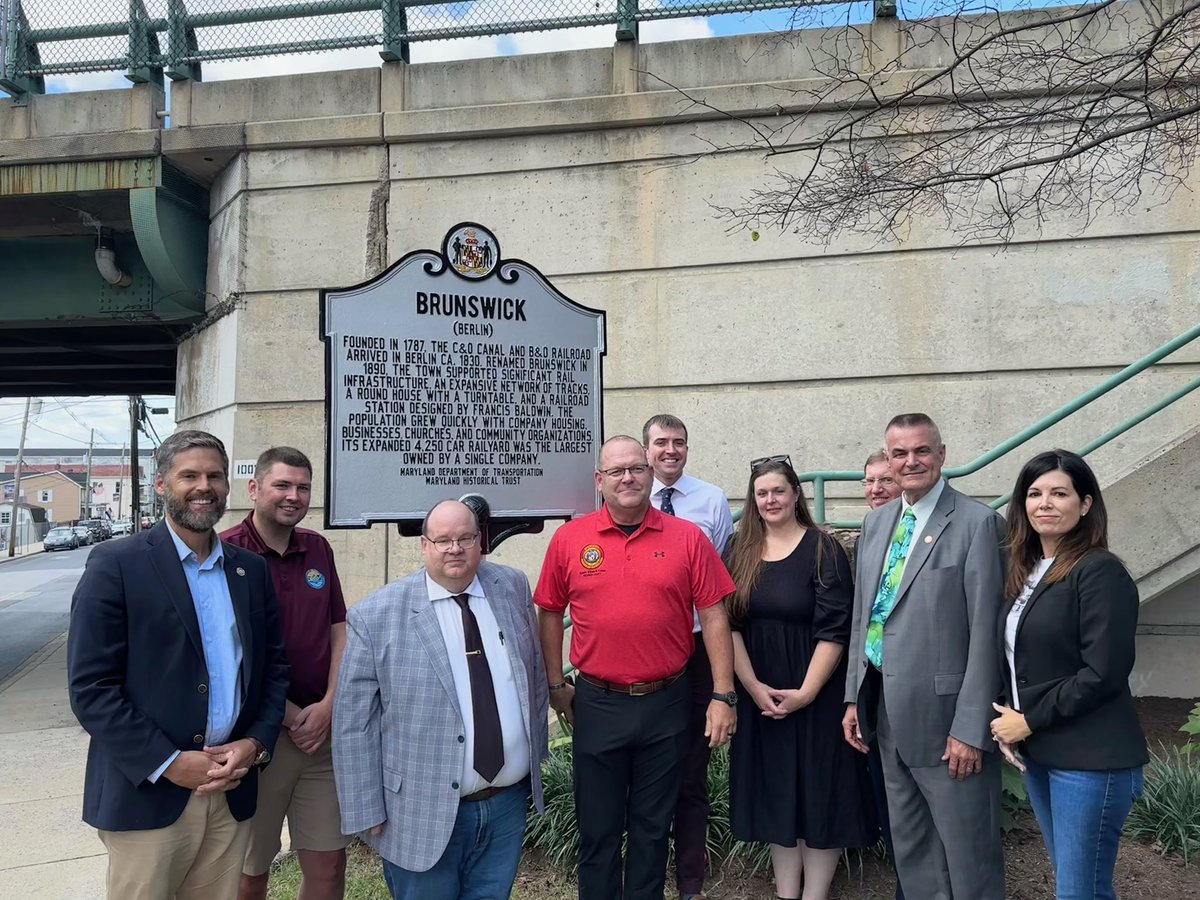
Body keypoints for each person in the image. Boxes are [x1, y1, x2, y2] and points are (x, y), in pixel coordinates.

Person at [68, 429, 289, 900]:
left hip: (231, 790)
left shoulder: (249, 571)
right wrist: (168, 763)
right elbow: (92, 689)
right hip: (149, 795)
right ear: (162, 484)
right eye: (189, 475)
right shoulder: (116, 564)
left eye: (214, 475)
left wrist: (255, 743)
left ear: (228, 486)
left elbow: (272, 671)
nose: (203, 485)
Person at [534, 435, 736, 900]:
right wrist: (555, 683)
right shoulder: (571, 539)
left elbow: (713, 614)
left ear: (650, 474)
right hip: (598, 703)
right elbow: (549, 610)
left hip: (668, 702)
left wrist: (723, 694)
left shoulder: (687, 537)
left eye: (637, 469)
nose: (628, 477)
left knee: (651, 830)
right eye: (617, 470)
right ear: (599, 480)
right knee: (598, 832)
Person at [332, 499, 548, 899]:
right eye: (443, 540)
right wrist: (365, 809)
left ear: (480, 541)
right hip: (418, 810)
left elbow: (531, 678)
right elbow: (353, 723)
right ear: (424, 545)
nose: (455, 549)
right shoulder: (376, 615)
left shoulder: (512, 587)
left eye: (465, 538)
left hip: (505, 807)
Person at [843, 413, 1005, 900]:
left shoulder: (978, 523)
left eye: (921, 451)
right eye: (899, 453)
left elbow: (986, 635)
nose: (910, 461)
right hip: (887, 712)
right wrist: (853, 696)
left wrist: (970, 728)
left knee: (967, 854)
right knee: (913, 849)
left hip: (947, 724)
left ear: (941, 455)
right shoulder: (877, 523)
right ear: (888, 460)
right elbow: (865, 617)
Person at [990, 450, 1147, 900]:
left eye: (1060, 493)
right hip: (1043, 754)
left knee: (1079, 892)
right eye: (1034, 493)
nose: (1045, 503)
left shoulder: (1099, 572)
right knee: (1081, 888)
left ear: (1086, 504)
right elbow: (1018, 659)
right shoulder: (1026, 571)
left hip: (1091, 760)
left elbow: (1104, 673)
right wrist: (1009, 719)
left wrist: (1030, 719)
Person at [727, 457, 875, 900]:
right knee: (778, 796)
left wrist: (807, 693)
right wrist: (752, 687)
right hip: (761, 694)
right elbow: (726, 624)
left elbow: (836, 627)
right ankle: (786, 893)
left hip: (816, 692)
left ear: (796, 495)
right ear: (753, 501)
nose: (770, 500)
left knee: (818, 793)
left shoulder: (823, 548)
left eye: (778, 491)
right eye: (761, 493)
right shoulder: (738, 550)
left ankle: (816, 895)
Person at [221, 447, 349, 900]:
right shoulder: (225, 553)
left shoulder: (317, 548)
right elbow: (230, 656)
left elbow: (338, 629)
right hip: (259, 738)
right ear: (254, 489)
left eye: (303, 487)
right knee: (248, 872)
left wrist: (330, 705)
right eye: (282, 485)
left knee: (329, 864)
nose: (293, 496)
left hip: (321, 734)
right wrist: (292, 716)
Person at [643, 413, 734, 900]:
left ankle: (691, 885)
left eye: (678, 442)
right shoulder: (625, 497)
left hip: (697, 650)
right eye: (661, 443)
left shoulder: (711, 500)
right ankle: (645, 879)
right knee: (649, 772)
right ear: (645, 450)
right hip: (647, 652)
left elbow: (712, 586)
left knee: (691, 770)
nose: (670, 451)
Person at [859, 449, 905, 900]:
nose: (876, 489)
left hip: (916, 685)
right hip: (872, 683)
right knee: (885, 786)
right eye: (869, 481)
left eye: (884, 480)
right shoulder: (869, 533)